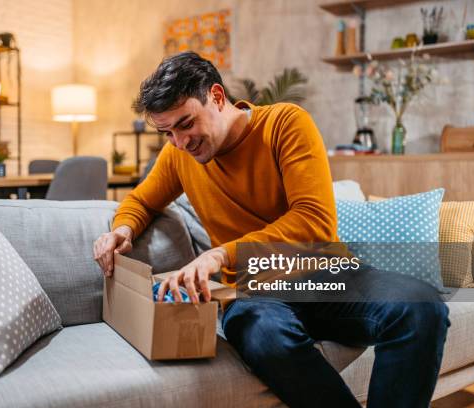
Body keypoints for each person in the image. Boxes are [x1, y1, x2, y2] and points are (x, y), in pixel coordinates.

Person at [93, 51, 449, 408]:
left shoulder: (285, 124)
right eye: (167, 132)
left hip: (324, 274)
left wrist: (221, 254)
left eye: (186, 124)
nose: (180, 142)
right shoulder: (178, 155)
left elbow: (314, 221)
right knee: (264, 335)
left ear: (216, 97)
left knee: (421, 307)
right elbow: (142, 201)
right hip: (253, 292)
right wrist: (123, 228)